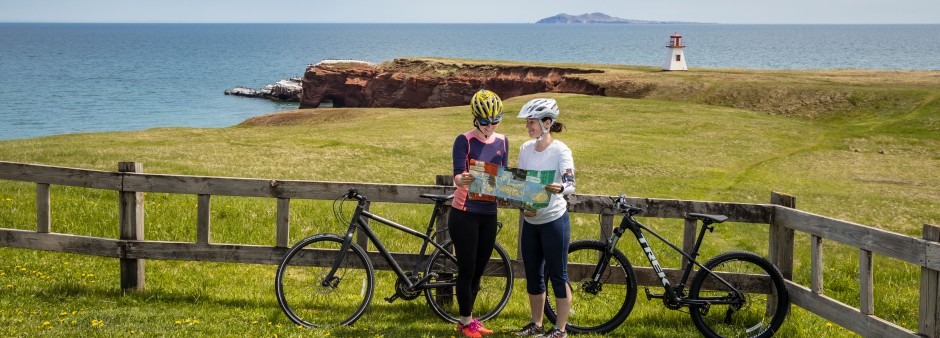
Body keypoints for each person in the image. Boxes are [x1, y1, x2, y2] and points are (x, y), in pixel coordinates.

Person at [449, 89, 509, 338]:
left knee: (479, 269)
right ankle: (465, 322)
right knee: (467, 269)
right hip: (465, 213)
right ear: (475, 118)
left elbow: (503, 177)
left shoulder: (503, 141)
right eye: (485, 121)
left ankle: (468, 320)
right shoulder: (464, 140)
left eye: (495, 120)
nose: (490, 126)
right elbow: (456, 175)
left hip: (489, 213)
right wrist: (463, 178)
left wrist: (510, 189)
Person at [513, 98, 575, 338]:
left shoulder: (561, 150)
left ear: (547, 123)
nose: (528, 127)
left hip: (554, 222)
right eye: (527, 122)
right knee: (533, 276)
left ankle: (560, 330)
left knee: (558, 275)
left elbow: (570, 182)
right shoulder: (525, 149)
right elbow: (521, 184)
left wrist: (560, 187)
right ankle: (536, 324)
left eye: (532, 122)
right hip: (531, 223)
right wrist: (523, 206)